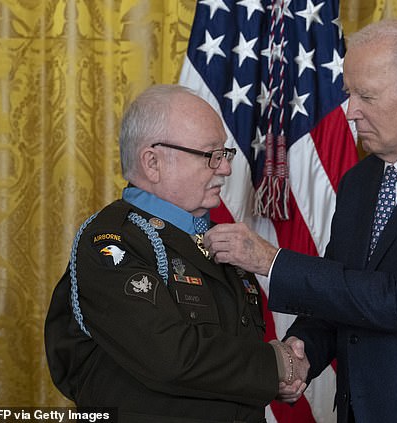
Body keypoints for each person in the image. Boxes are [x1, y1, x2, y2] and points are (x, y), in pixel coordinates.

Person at [204, 19, 397, 423]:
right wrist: (300, 353)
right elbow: (341, 289)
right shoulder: (360, 181)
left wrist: (271, 260)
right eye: (350, 94)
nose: (351, 111)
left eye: (366, 96)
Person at [44, 84, 308, 423]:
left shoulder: (216, 238)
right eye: (210, 155)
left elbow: (226, 359)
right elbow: (169, 357)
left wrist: (273, 380)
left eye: (224, 154)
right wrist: (275, 365)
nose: (225, 169)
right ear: (152, 162)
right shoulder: (111, 241)